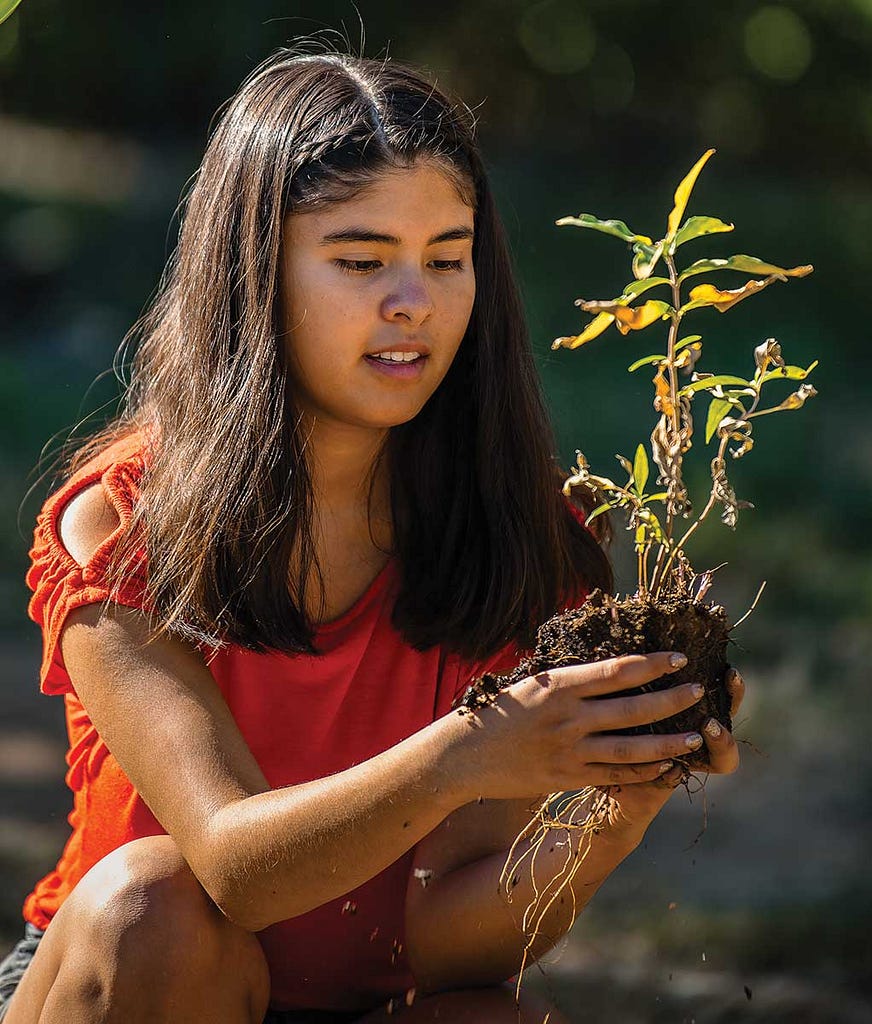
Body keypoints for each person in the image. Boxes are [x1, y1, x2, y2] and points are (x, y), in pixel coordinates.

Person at [0, 43, 744, 1024]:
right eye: (360, 260)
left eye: (447, 257)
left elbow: (451, 946)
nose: (415, 300)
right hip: (139, 986)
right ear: (252, 273)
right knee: (154, 902)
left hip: (361, 1005)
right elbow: (234, 870)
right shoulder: (122, 519)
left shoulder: (531, 539)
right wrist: (470, 750)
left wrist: (618, 800)